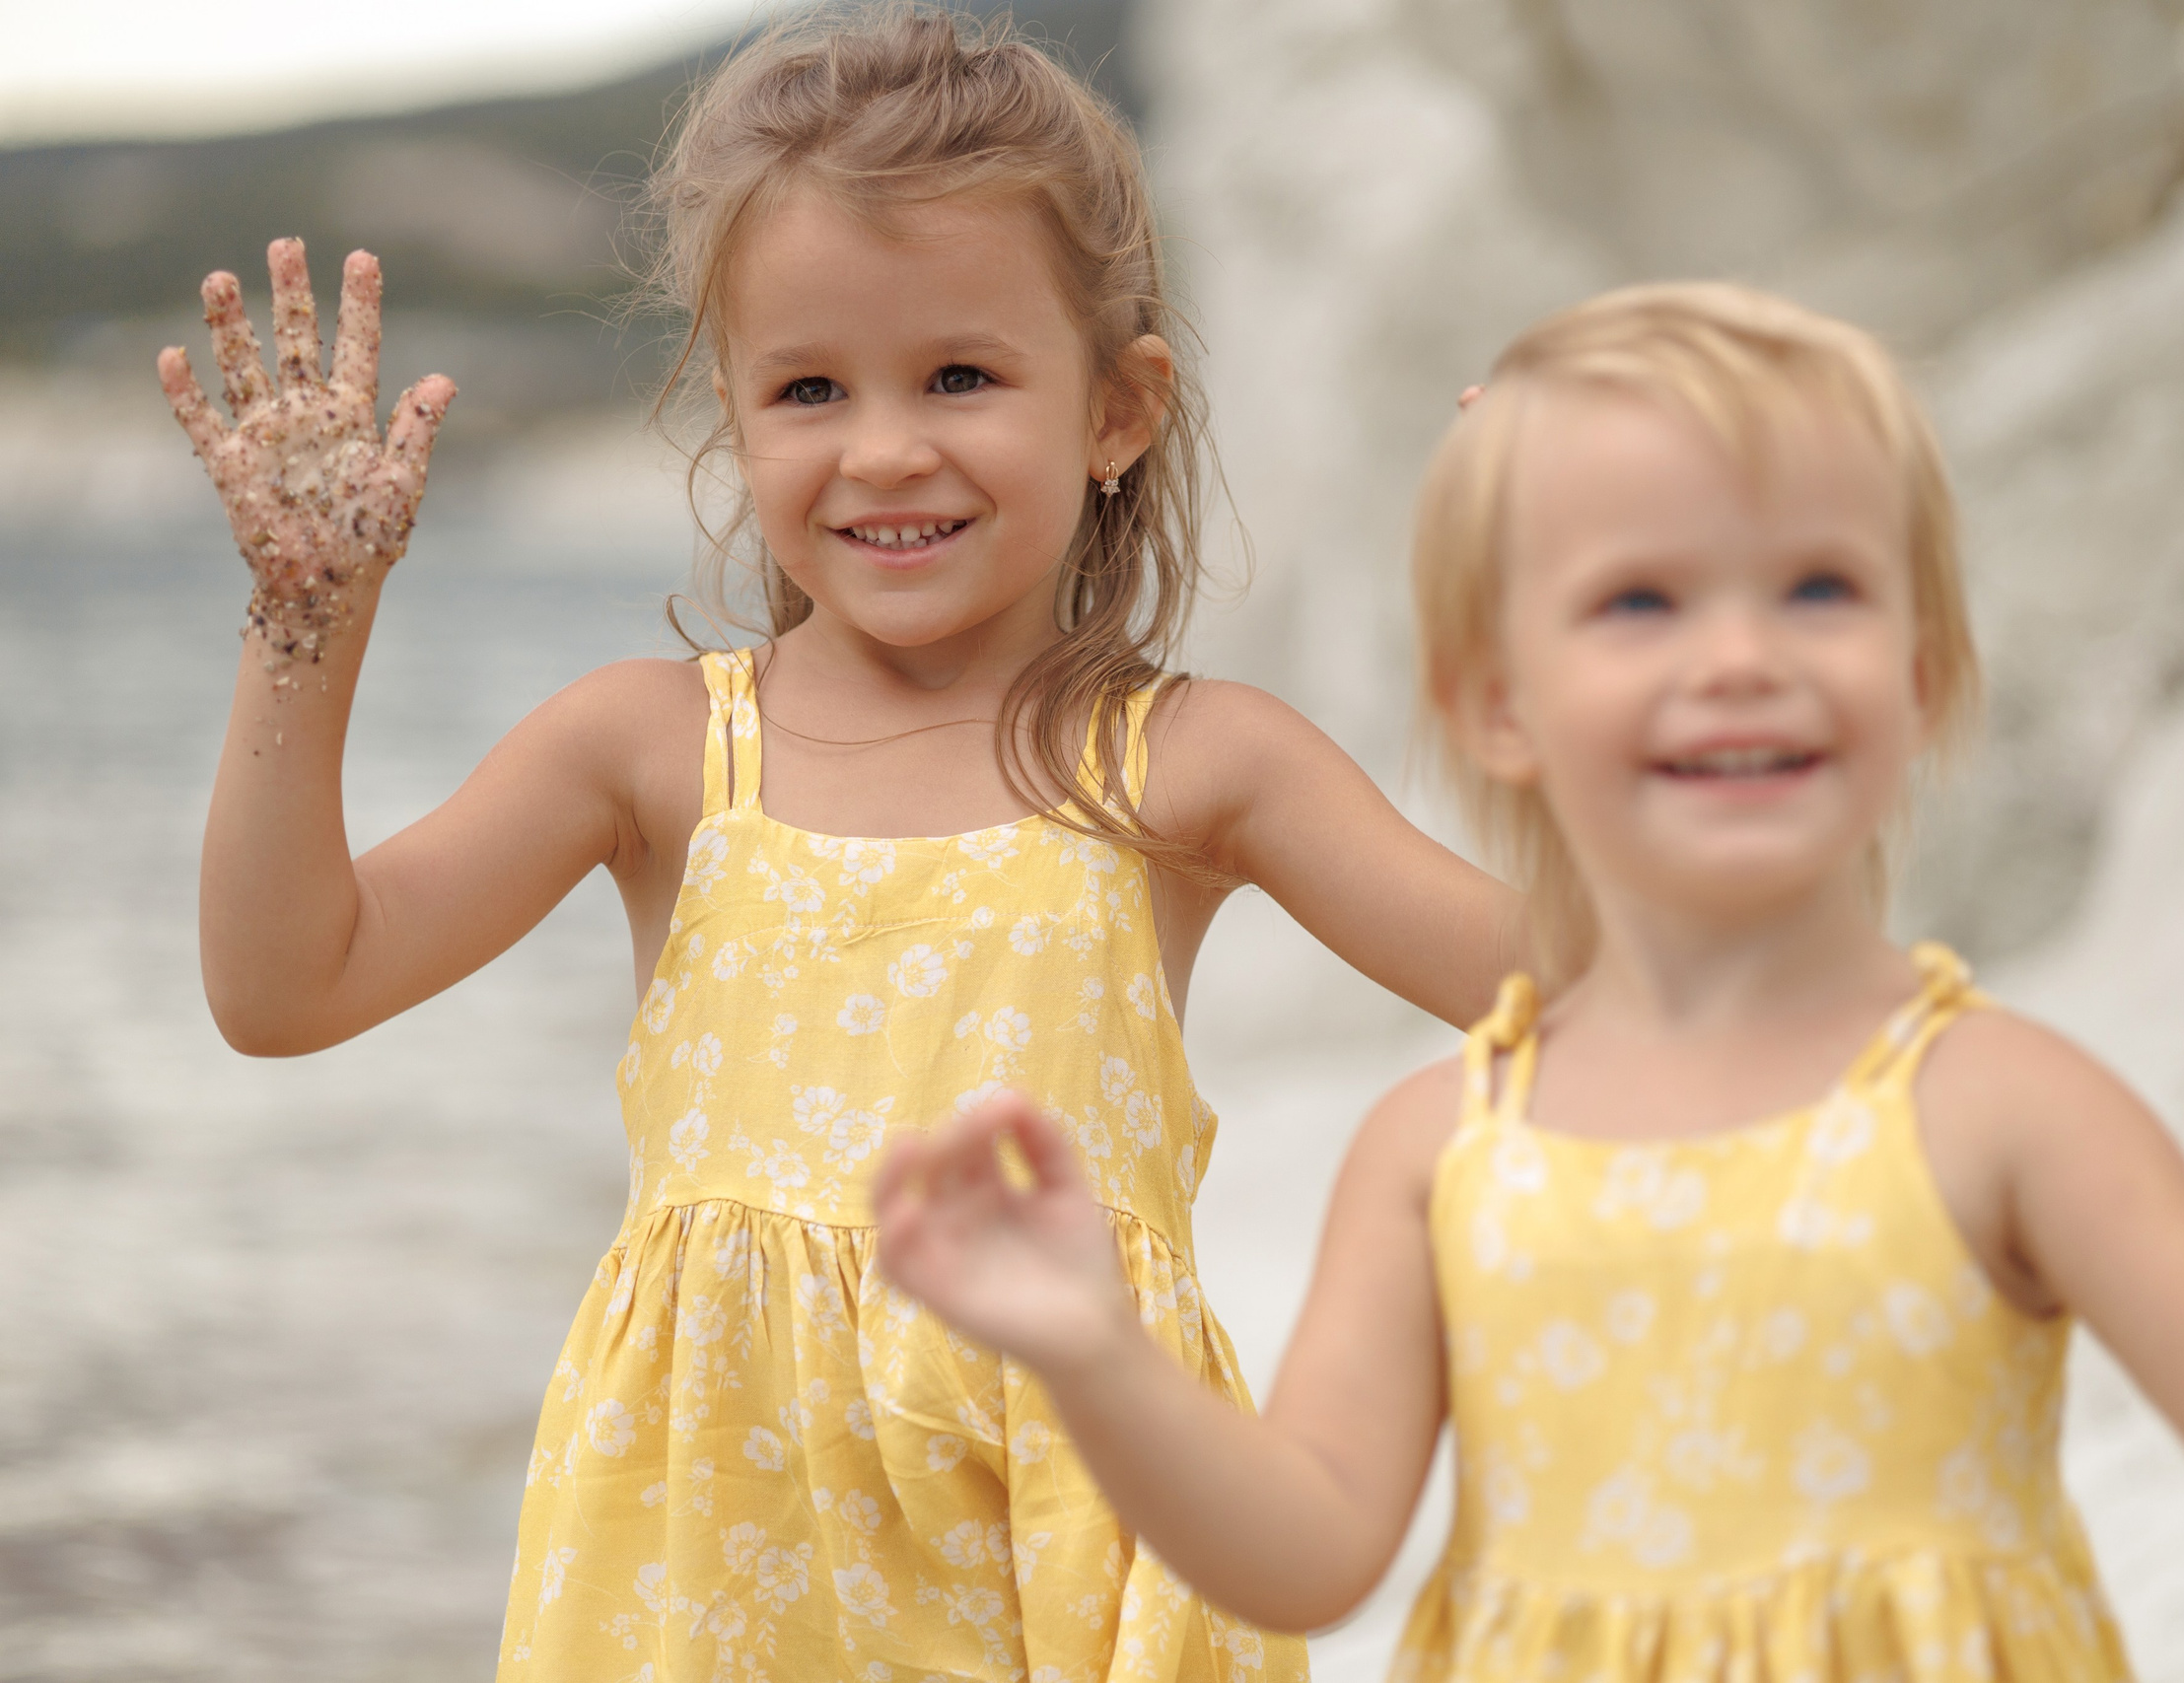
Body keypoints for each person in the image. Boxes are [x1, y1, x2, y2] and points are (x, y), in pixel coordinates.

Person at [156, 11, 1519, 1679]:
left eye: (960, 376)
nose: (883, 449)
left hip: (1080, 1551)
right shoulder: (652, 748)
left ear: (1117, 409)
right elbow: (286, 988)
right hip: (717, 1580)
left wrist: (1552, 604)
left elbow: (1581, 1002)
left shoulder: (1188, 765)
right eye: (809, 389)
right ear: (736, 418)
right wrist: (307, 621)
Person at [875, 282, 2184, 1683]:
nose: (1738, 658)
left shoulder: (1994, 1104)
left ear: (1921, 675)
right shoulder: (1440, 1150)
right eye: (1640, 602)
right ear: (1500, 704)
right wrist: (1094, 1351)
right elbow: (1307, 1548)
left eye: (1819, 590)